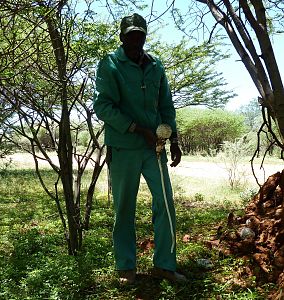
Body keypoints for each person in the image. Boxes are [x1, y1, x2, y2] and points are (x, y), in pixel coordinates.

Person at [93, 13, 185, 285]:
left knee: (165, 204)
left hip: (154, 149)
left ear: (145, 36)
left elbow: (166, 105)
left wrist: (175, 139)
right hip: (123, 148)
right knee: (124, 207)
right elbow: (103, 106)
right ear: (121, 36)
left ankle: (165, 266)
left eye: (140, 35)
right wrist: (136, 129)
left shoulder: (156, 65)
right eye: (130, 35)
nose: (135, 39)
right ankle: (126, 267)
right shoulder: (110, 64)